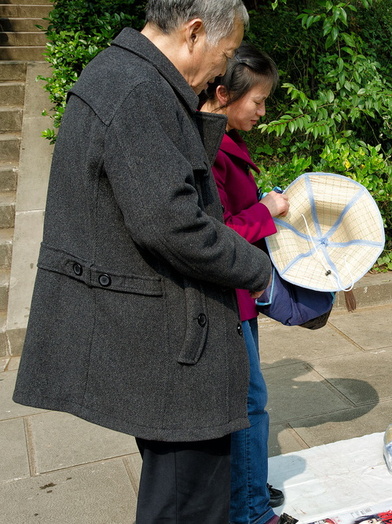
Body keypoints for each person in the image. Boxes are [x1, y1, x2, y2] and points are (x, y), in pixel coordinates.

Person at [12, 1, 274, 522]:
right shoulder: (136, 91)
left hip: (158, 331)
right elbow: (173, 224)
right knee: (187, 500)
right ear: (195, 32)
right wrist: (264, 275)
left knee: (178, 491)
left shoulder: (130, 76)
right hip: (170, 346)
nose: (223, 70)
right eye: (223, 54)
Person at [200, 42, 288, 524]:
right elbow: (215, 233)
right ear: (223, 93)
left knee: (244, 400)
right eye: (257, 100)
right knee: (249, 402)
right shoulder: (208, 147)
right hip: (226, 295)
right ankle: (250, 511)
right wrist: (266, 210)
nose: (262, 110)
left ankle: (247, 489)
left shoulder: (222, 138)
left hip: (236, 291)